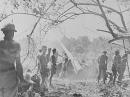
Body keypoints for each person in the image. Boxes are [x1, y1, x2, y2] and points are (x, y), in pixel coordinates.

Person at [0, 23, 26, 97]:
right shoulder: (16, 45)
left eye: (12, 32)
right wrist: (21, 79)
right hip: (10, 79)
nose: (12, 34)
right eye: (11, 32)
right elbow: (18, 64)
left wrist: (21, 79)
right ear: (6, 32)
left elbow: (18, 64)